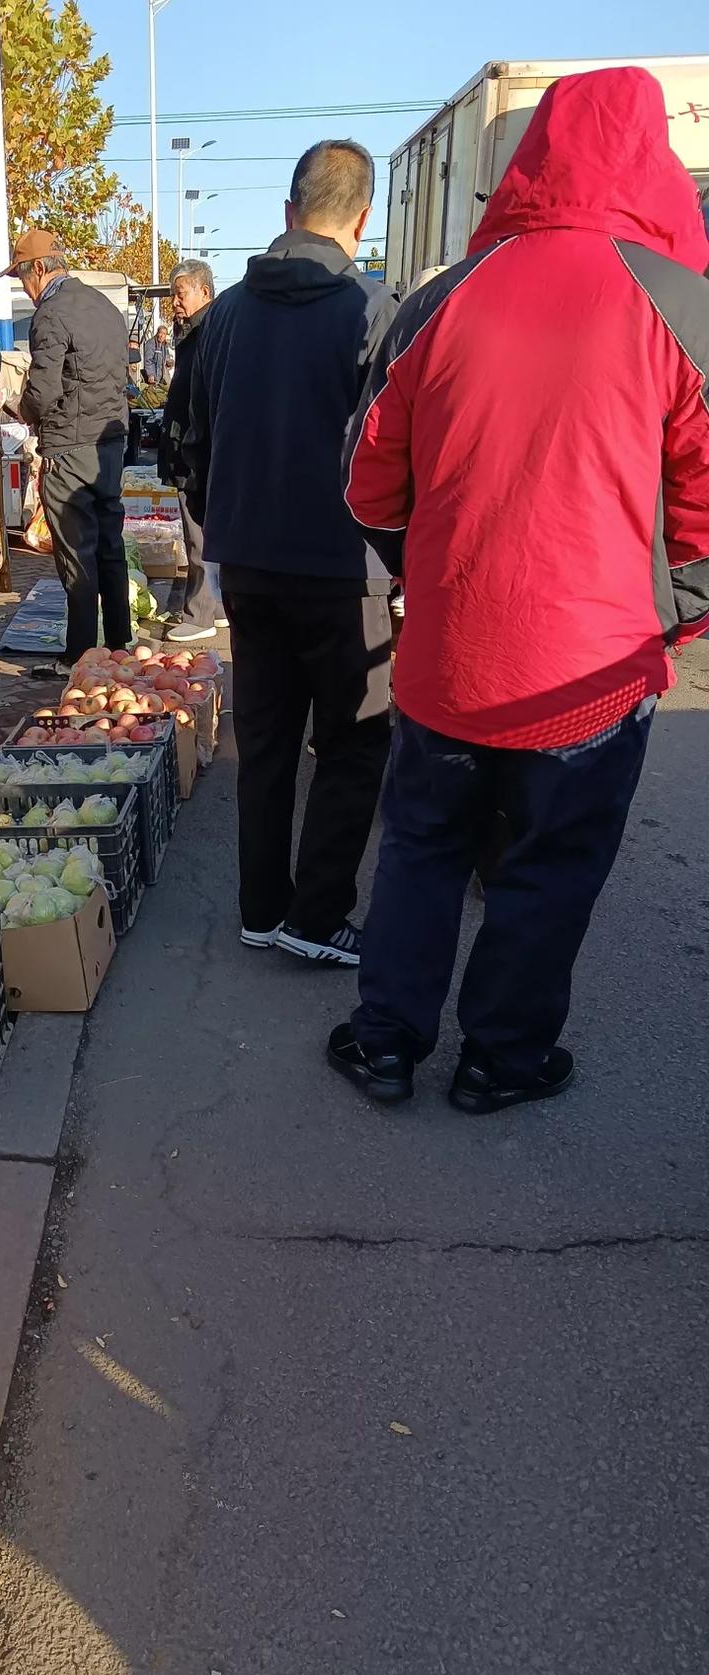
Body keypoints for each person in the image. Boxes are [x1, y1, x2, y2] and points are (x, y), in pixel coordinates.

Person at [329, 67, 709, 1115]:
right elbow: (704, 513)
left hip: (447, 654)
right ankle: (501, 1057)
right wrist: (671, 613)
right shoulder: (682, 307)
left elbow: (365, 476)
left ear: (528, 160)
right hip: (589, 667)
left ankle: (385, 1040)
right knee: (547, 870)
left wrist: (425, 572)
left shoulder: (440, 296)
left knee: (419, 845)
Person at [184, 139, 397, 966]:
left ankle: (260, 907)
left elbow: (192, 436)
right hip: (347, 572)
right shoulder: (373, 312)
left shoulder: (228, 311)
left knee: (266, 740)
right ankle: (316, 919)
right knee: (354, 740)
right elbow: (390, 450)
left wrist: (221, 527)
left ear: (287, 211)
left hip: (247, 564)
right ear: (362, 219)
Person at [7, 229, 131, 672]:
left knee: (77, 553)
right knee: (110, 548)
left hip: (70, 445)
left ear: (38, 269)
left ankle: (79, 657)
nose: (24, 288)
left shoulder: (51, 314)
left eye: (22, 278)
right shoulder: (105, 306)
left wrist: (20, 410)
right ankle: (119, 646)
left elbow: (43, 388)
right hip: (109, 444)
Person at [158, 259, 225, 642]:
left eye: (180, 294)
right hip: (195, 444)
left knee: (198, 533)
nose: (175, 303)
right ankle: (215, 608)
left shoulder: (209, 331)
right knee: (205, 531)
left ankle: (198, 614)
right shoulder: (197, 330)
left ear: (204, 291)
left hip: (199, 448)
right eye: (173, 295)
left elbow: (204, 396)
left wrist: (189, 442)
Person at [142, 322, 174, 387]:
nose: (162, 335)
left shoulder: (164, 345)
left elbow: (166, 357)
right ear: (157, 333)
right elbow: (148, 360)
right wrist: (150, 374)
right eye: (160, 333)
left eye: (164, 334)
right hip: (154, 376)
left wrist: (170, 363)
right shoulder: (151, 344)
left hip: (163, 375)